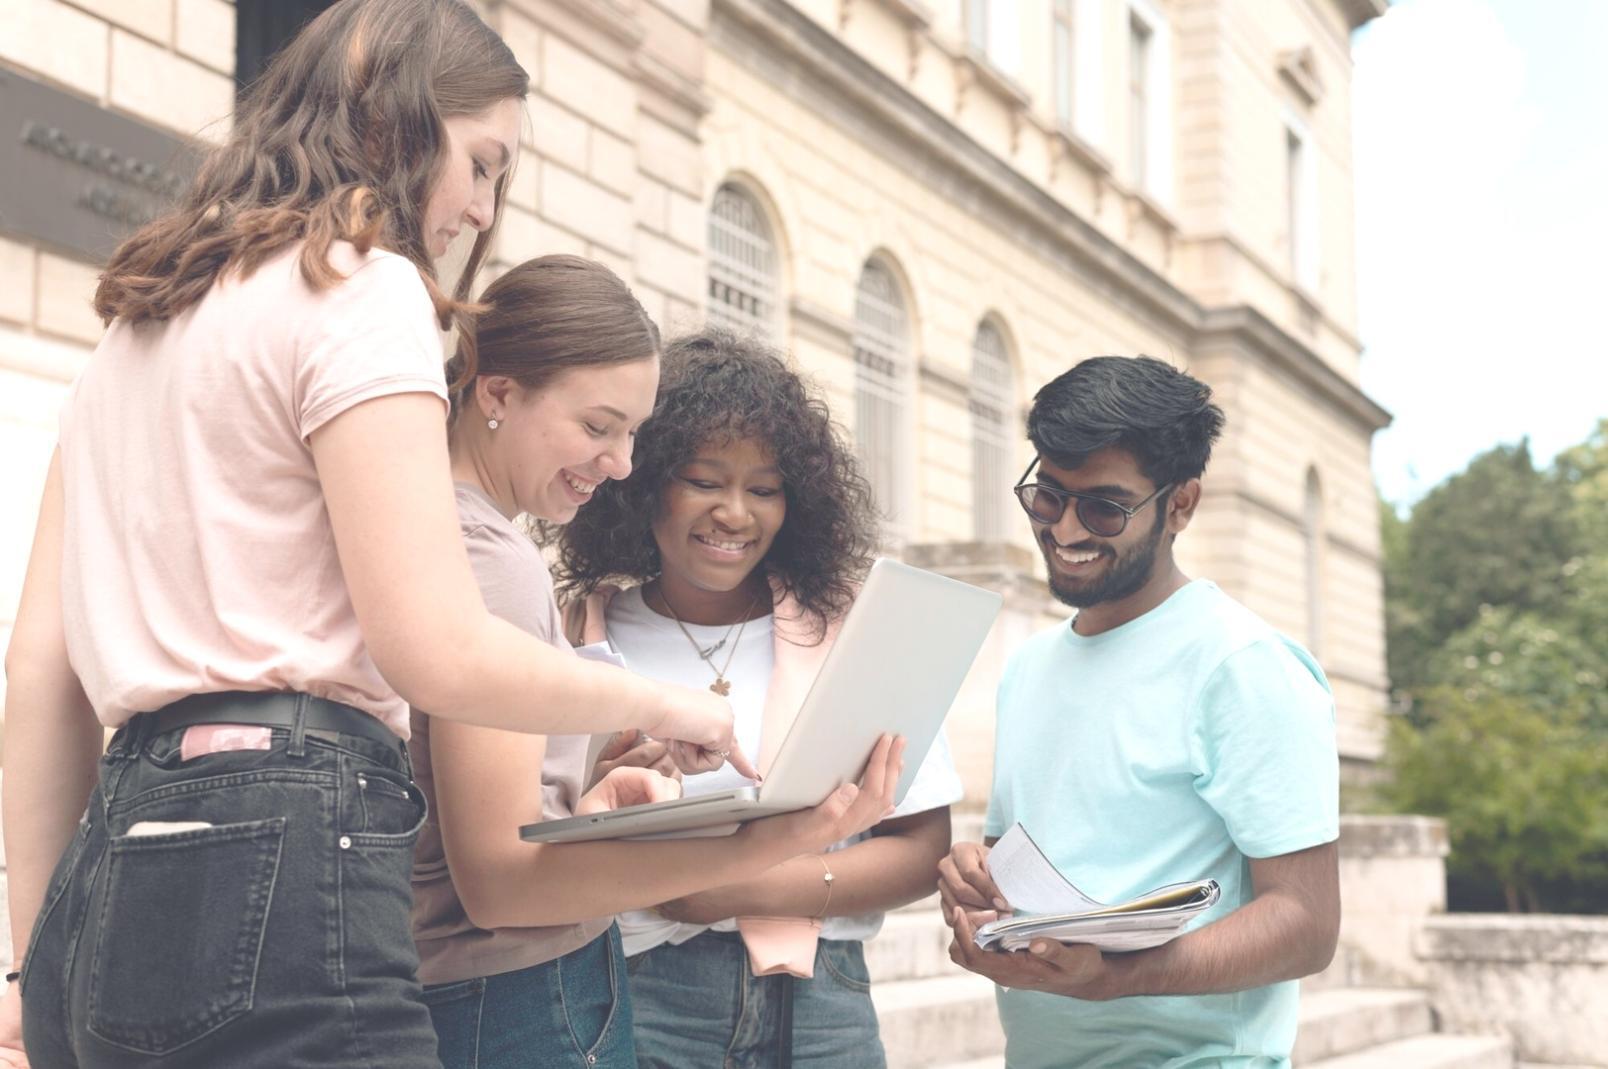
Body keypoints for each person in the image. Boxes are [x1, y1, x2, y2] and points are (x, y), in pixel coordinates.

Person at [0, 3, 745, 1066]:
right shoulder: (361, 286)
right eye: (482, 164)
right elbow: (433, 649)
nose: (481, 213)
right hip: (291, 833)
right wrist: (672, 705)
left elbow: (39, 675)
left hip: (116, 859)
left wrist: (34, 970)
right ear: (395, 121)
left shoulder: (133, 331)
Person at [409, 257, 905, 1069]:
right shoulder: (496, 564)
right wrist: (769, 843)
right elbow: (498, 882)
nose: (621, 465)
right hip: (508, 998)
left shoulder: (458, 537)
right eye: (600, 427)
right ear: (497, 393)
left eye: (633, 434)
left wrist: (592, 803)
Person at [556, 329, 966, 1069]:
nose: (736, 514)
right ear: (644, 482)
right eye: (705, 480)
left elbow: (921, 848)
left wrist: (731, 885)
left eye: (764, 488)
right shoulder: (581, 632)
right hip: (639, 993)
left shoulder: (853, 630)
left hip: (825, 1004)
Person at [938, 355, 1341, 1068]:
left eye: (1103, 507)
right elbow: (1016, 866)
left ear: (1181, 504)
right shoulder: (1028, 665)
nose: (1063, 529)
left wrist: (1117, 976)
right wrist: (976, 881)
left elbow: (1307, 924)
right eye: (1047, 496)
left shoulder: (1242, 665)